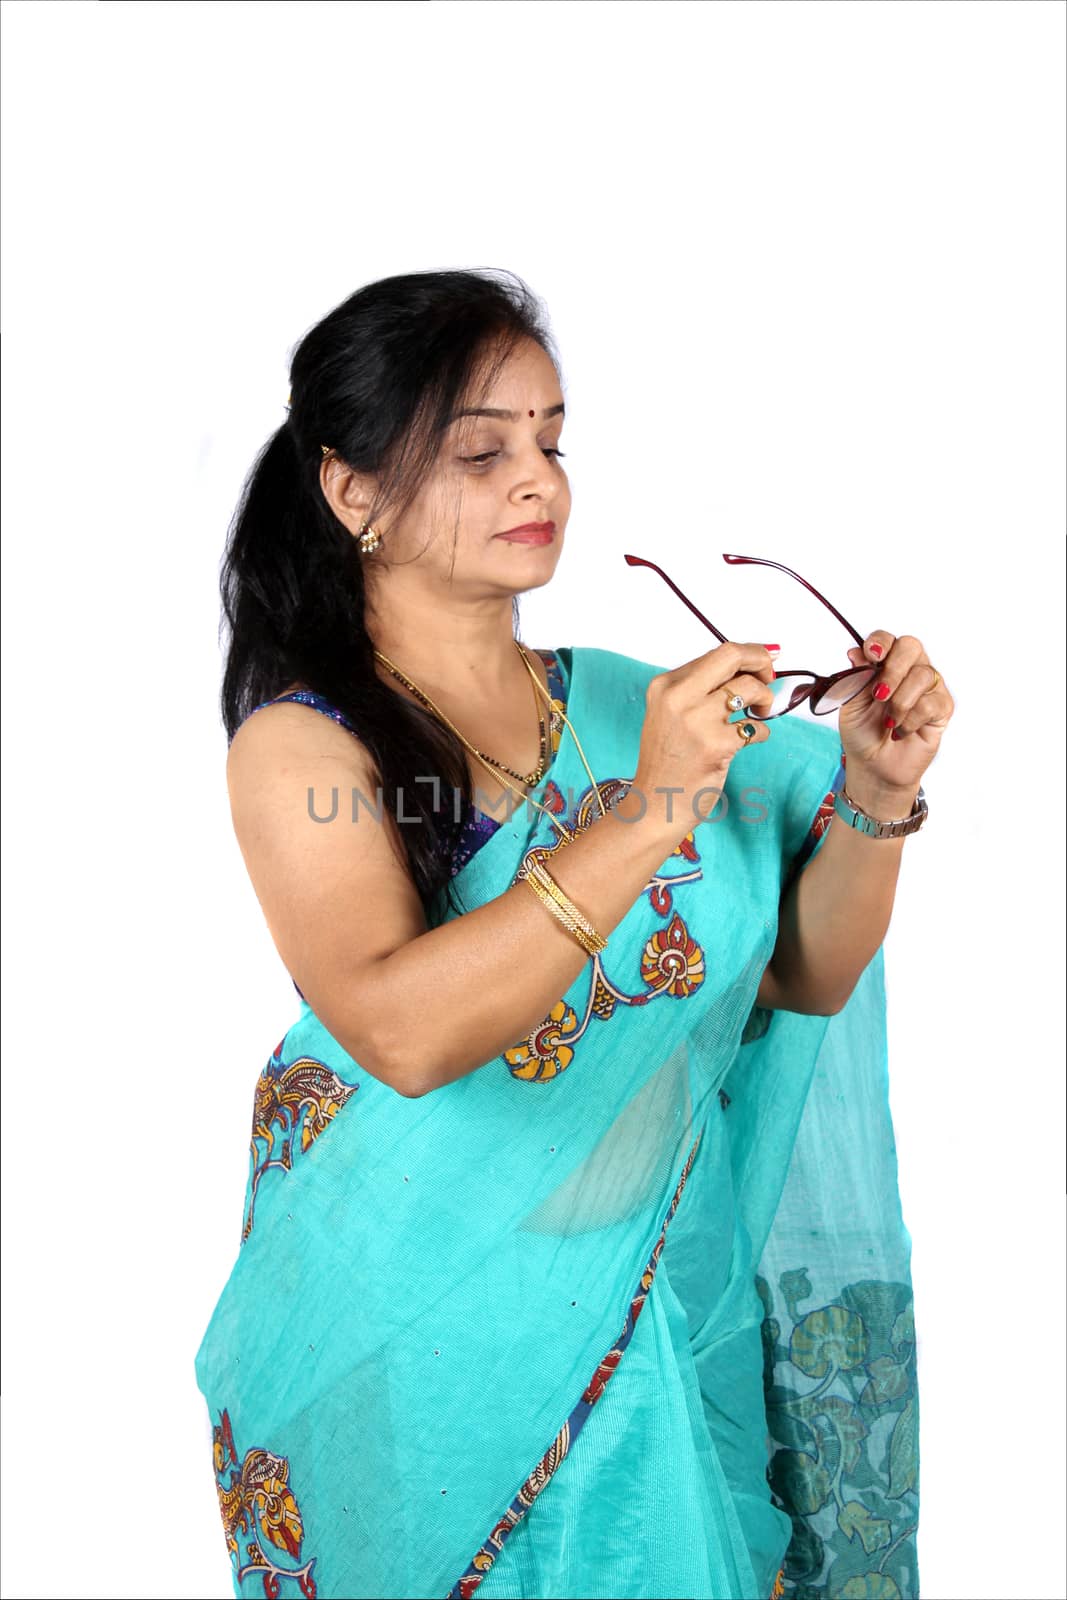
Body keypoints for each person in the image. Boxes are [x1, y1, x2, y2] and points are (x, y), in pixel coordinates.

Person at [195, 269, 952, 1600]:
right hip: (436, 1356)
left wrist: (878, 795)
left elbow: (798, 972)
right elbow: (403, 1030)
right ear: (352, 492)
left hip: (666, 1317)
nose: (535, 479)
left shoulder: (619, 702)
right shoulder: (305, 746)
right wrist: (648, 811)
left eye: (550, 440)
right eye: (481, 451)